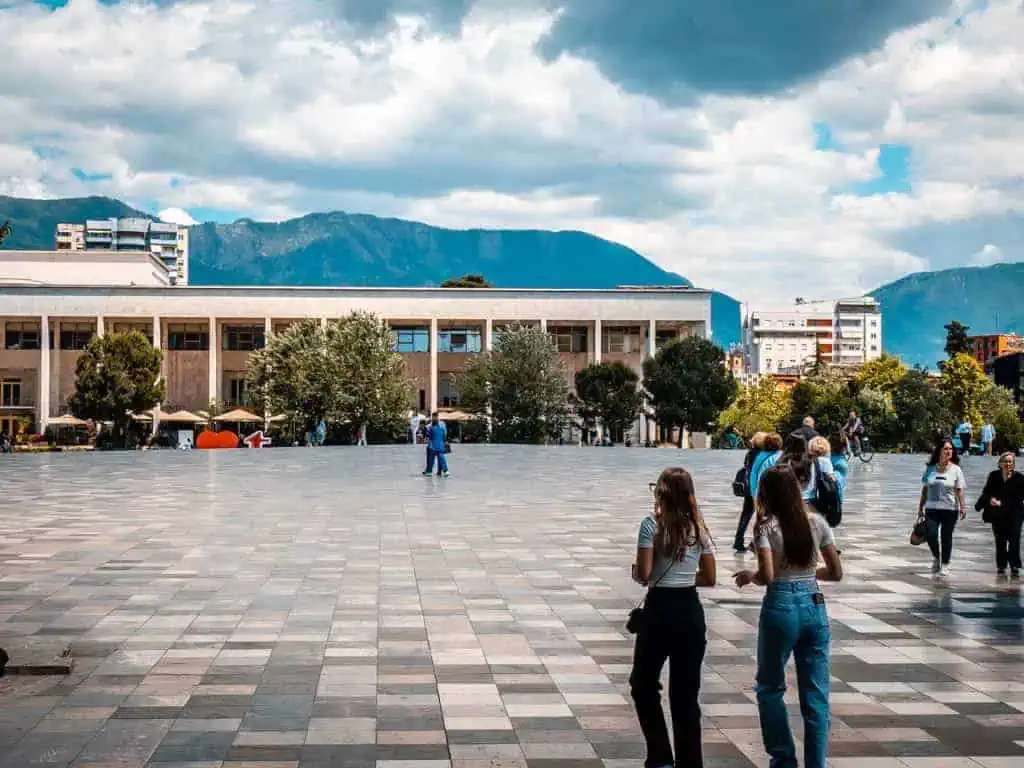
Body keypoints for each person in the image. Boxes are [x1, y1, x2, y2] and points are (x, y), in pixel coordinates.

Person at [734, 465, 842, 768]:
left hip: (780, 606)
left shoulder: (765, 527)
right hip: (814, 603)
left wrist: (750, 576)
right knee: (816, 695)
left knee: (770, 687)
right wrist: (808, 574)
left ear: (766, 494)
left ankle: (783, 759)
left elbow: (767, 575)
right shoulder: (817, 522)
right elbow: (836, 572)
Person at [630, 467, 716, 768]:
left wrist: (638, 572)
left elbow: (644, 574)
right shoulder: (698, 528)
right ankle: (690, 762)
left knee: (643, 684)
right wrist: (685, 576)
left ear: (661, 493)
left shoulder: (650, 525)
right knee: (685, 695)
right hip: (690, 611)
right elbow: (710, 577)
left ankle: (660, 756)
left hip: (659, 610)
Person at [918, 439, 966, 576]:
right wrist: (920, 507)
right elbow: (925, 489)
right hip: (932, 508)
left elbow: (959, 489)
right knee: (931, 535)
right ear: (939, 451)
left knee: (946, 536)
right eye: (945, 449)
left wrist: (962, 506)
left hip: (950, 509)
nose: (948, 451)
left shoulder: (956, 469)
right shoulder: (931, 469)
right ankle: (936, 556)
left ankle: (945, 563)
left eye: (950, 449)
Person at [974, 452, 1024, 578]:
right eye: (1005, 461)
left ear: (1013, 464)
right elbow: (987, 491)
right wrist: (989, 500)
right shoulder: (994, 475)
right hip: (997, 513)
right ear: (1000, 463)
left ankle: (1014, 565)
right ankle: (1001, 565)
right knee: (1000, 540)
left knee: (1014, 539)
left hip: (1014, 513)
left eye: (1010, 462)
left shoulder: (1019, 478)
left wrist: (1004, 502)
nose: (1008, 464)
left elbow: (1020, 497)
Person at [734, 432, 766, 554]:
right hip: (759, 489)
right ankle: (755, 543)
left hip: (749, 488)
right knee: (763, 516)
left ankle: (738, 541)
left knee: (746, 515)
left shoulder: (750, 453)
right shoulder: (763, 455)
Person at [749, 433, 784, 503]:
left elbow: (754, 475)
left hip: (764, 494)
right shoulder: (783, 455)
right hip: (781, 494)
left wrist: (754, 495)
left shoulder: (760, 457)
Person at [422, 412, 449, 477]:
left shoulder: (430, 426)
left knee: (430, 458)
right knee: (441, 457)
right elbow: (445, 435)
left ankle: (429, 471)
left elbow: (428, 435)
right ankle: (444, 471)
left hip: (432, 445)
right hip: (440, 445)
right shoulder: (442, 425)